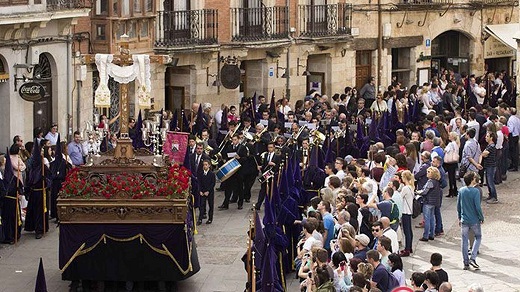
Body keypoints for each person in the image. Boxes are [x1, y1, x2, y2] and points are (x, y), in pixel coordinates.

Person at [457, 171, 484, 270]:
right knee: (478, 237)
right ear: (472, 180)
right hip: (474, 220)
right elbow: (478, 207)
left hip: (464, 219)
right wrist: (481, 217)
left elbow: (458, 206)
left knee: (464, 241)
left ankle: (465, 262)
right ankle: (473, 257)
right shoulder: (476, 191)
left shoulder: (461, 190)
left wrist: (459, 217)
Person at [417, 167, 442, 242]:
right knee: (432, 218)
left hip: (428, 202)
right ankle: (431, 234)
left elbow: (425, 192)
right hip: (434, 202)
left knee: (427, 219)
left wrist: (418, 192)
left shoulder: (430, 181)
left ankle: (426, 235)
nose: (427, 173)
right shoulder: (437, 182)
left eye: (429, 172)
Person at [399, 170, 414, 257]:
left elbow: (400, 197)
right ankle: (409, 247)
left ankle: (407, 249)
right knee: (409, 230)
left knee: (406, 231)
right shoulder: (411, 187)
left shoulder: (405, 188)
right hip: (409, 210)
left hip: (405, 210)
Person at [481, 131, 498, 204]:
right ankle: (491, 195)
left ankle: (494, 197)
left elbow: (484, 154)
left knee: (490, 182)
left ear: (491, 138)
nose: (485, 137)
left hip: (491, 166)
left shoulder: (491, 146)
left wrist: (483, 154)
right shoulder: (488, 146)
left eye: (487, 136)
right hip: (488, 165)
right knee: (488, 181)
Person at [197, 160, 215, 225]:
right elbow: (199, 183)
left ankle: (210, 219)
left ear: (209, 165)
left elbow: (213, 183)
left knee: (211, 205)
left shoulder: (212, 174)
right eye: (204, 165)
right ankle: (200, 219)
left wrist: (208, 191)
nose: (204, 166)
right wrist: (200, 191)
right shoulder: (201, 173)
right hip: (202, 191)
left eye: (206, 165)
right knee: (202, 205)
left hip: (209, 192)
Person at [443, 132, 460, 198]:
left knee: (451, 177)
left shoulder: (450, 144)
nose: (448, 136)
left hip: (450, 162)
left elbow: (445, 150)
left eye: (450, 135)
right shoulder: (456, 143)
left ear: (452, 136)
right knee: (453, 177)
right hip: (454, 162)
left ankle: (451, 191)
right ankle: (455, 190)